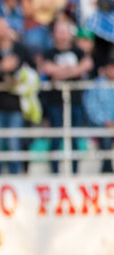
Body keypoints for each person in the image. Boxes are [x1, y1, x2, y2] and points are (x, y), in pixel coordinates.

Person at [40, 19, 93, 174]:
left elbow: (87, 65)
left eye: (65, 31)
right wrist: (73, 70)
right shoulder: (49, 52)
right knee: (56, 137)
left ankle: (75, 172)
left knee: (74, 137)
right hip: (55, 101)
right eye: (59, 31)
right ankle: (55, 172)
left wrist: (60, 73)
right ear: (54, 34)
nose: (62, 35)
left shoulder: (78, 51)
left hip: (75, 101)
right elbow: (46, 68)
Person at [0, 16, 32, 175]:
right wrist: (1, 68)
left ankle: (15, 175)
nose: (0, 31)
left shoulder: (20, 49)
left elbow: (32, 71)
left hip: (16, 104)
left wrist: (18, 76)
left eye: (2, 26)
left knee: (13, 143)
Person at [83, 51, 114, 173]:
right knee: (105, 136)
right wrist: (106, 122)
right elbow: (92, 108)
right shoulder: (96, 85)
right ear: (105, 69)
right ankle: (107, 170)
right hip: (101, 124)